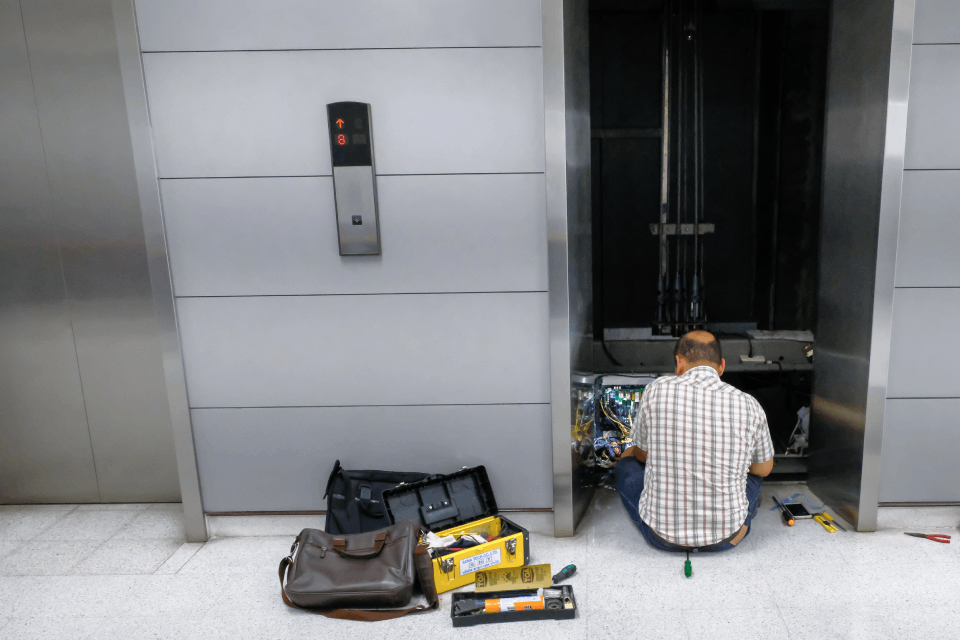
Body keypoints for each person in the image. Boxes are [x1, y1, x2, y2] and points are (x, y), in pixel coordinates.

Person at [615, 330, 774, 551]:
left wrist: (630, 453)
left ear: (679, 363)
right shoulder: (749, 404)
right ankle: (743, 514)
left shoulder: (656, 390)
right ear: (721, 366)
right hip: (727, 538)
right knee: (754, 478)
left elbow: (643, 454)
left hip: (661, 537)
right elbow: (764, 468)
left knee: (627, 466)